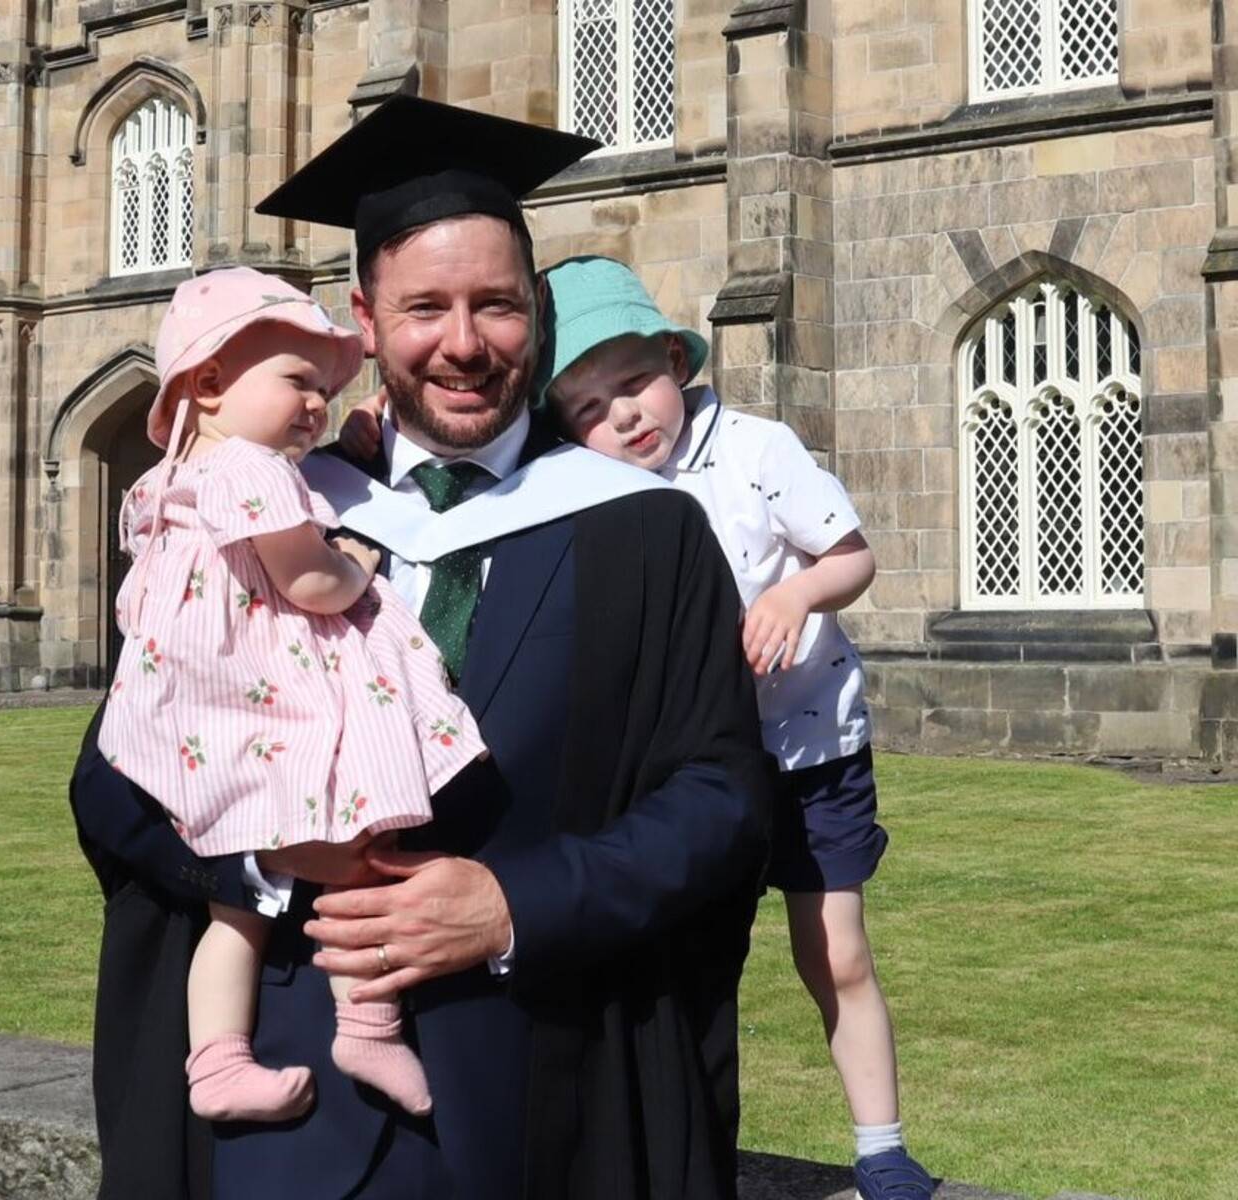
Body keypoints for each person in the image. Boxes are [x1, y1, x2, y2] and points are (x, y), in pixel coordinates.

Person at [69, 97, 775, 1200]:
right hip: (282, 1108)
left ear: (533, 315)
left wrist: (511, 907)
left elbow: (723, 798)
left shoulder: (641, 529)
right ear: (360, 317)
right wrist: (255, 860)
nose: (462, 342)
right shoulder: (254, 514)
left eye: (494, 305)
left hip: (541, 1093)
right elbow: (112, 773)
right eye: (424, 308)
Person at [527, 256, 934, 1200]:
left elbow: (853, 555)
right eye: (589, 406)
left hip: (809, 754)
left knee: (833, 950)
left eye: (633, 383)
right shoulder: (591, 484)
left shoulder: (757, 447)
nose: (623, 417)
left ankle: (882, 1147)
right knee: (694, 969)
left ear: (675, 358)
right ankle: (696, 1154)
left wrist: (795, 592)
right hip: (700, 771)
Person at [97, 266, 485, 1125]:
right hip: (267, 706)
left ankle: (219, 1061)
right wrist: (357, 567)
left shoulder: (168, 481)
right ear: (207, 384)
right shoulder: (256, 469)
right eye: (298, 381)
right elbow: (308, 582)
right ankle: (369, 1020)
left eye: (327, 387)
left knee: (235, 907)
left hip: (190, 716)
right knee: (364, 845)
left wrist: (345, 435)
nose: (315, 404)